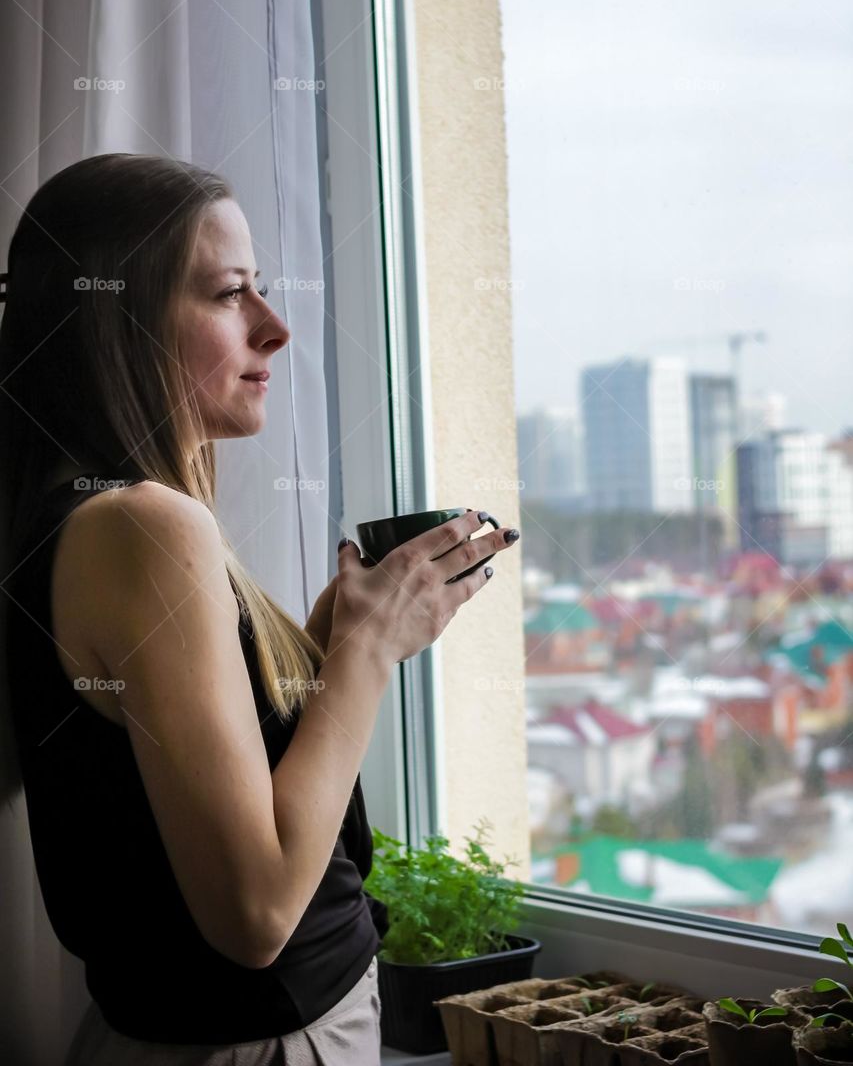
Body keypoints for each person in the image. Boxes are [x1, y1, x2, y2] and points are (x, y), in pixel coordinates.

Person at [0, 153, 520, 1065]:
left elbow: (180, 775)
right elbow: (256, 915)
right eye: (229, 294)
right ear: (114, 320)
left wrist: (324, 638)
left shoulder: (86, 513)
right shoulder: (140, 525)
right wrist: (365, 652)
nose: (275, 329)